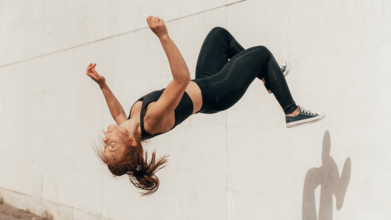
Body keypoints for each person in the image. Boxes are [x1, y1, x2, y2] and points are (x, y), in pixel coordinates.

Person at [86, 16, 325, 196]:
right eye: (112, 147)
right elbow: (181, 78)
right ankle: (291, 111)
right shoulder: (151, 120)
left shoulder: (127, 123)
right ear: (131, 142)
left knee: (219, 36)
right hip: (219, 92)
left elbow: (116, 111)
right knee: (262, 53)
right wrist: (163, 36)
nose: (106, 141)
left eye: (106, 146)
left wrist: (102, 84)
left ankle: (269, 76)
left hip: (205, 81)